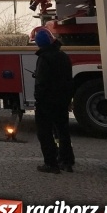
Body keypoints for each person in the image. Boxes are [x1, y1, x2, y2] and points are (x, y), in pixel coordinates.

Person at [33, 28, 75, 173]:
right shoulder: (63, 55)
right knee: (63, 131)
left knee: (44, 133)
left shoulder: (44, 58)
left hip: (46, 102)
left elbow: (42, 83)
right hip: (62, 101)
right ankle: (67, 161)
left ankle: (51, 163)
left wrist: (38, 99)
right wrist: (68, 99)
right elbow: (69, 79)